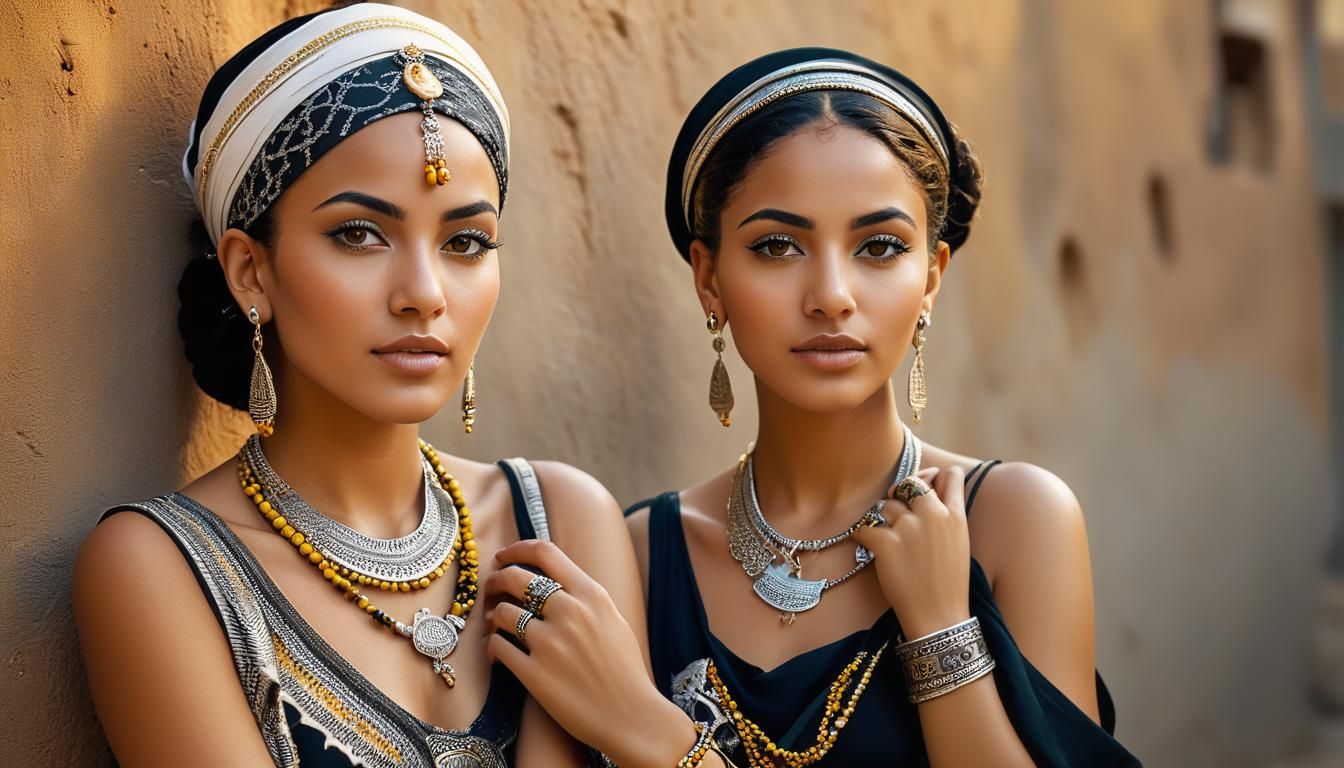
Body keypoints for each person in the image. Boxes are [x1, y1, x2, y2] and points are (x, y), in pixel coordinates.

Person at [482, 48, 1141, 767]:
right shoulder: (640, 554)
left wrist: (939, 628)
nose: (832, 295)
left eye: (879, 247)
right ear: (709, 279)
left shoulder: (1013, 520)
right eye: (778, 247)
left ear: (931, 277)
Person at [72, 4, 642, 766]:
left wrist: (648, 729)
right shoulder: (158, 566)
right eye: (359, 234)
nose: (424, 294)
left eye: (465, 242)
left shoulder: (561, 521)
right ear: (251, 272)